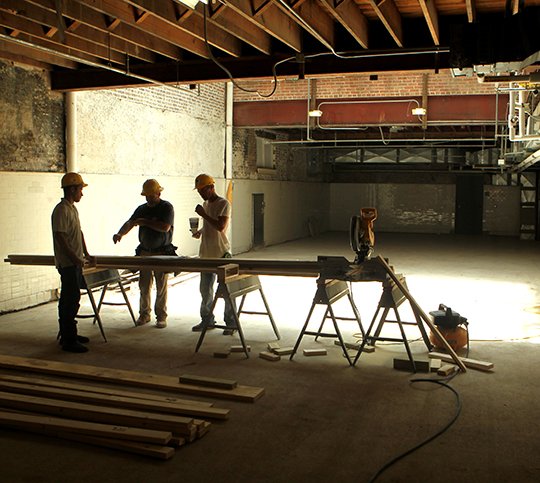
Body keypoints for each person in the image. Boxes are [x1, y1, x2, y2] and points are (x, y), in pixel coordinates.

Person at [113, 179, 176, 329]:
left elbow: (165, 227)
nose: (148, 199)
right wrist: (120, 233)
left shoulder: (166, 207)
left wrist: (145, 222)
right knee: (144, 285)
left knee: (161, 285)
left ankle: (161, 316)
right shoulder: (141, 209)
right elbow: (131, 222)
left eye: (151, 196)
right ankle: (144, 314)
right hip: (145, 252)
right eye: (146, 196)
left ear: (158, 193)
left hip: (162, 252)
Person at [51, 172, 92, 353]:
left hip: (75, 262)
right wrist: (75, 258)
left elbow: (79, 233)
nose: (82, 193)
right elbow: (60, 237)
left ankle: (70, 334)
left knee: (73, 298)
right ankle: (68, 340)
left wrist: (86, 254)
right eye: (80, 190)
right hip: (68, 264)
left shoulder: (72, 208)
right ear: (72, 189)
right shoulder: (61, 210)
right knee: (69, 300)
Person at [191, 174, 236, 335]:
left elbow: (220, 226)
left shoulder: (224, 204)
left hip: (221, 253)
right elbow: (210, 226)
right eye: (199, 191)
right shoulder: (205, 204)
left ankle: (231, 323)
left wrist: (203, 214)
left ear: (211, 187)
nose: (201, 194)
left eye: (203, 190)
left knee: (226, 291)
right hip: (206, 254)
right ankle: (207, 320)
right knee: (205, 290)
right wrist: (200, 232)